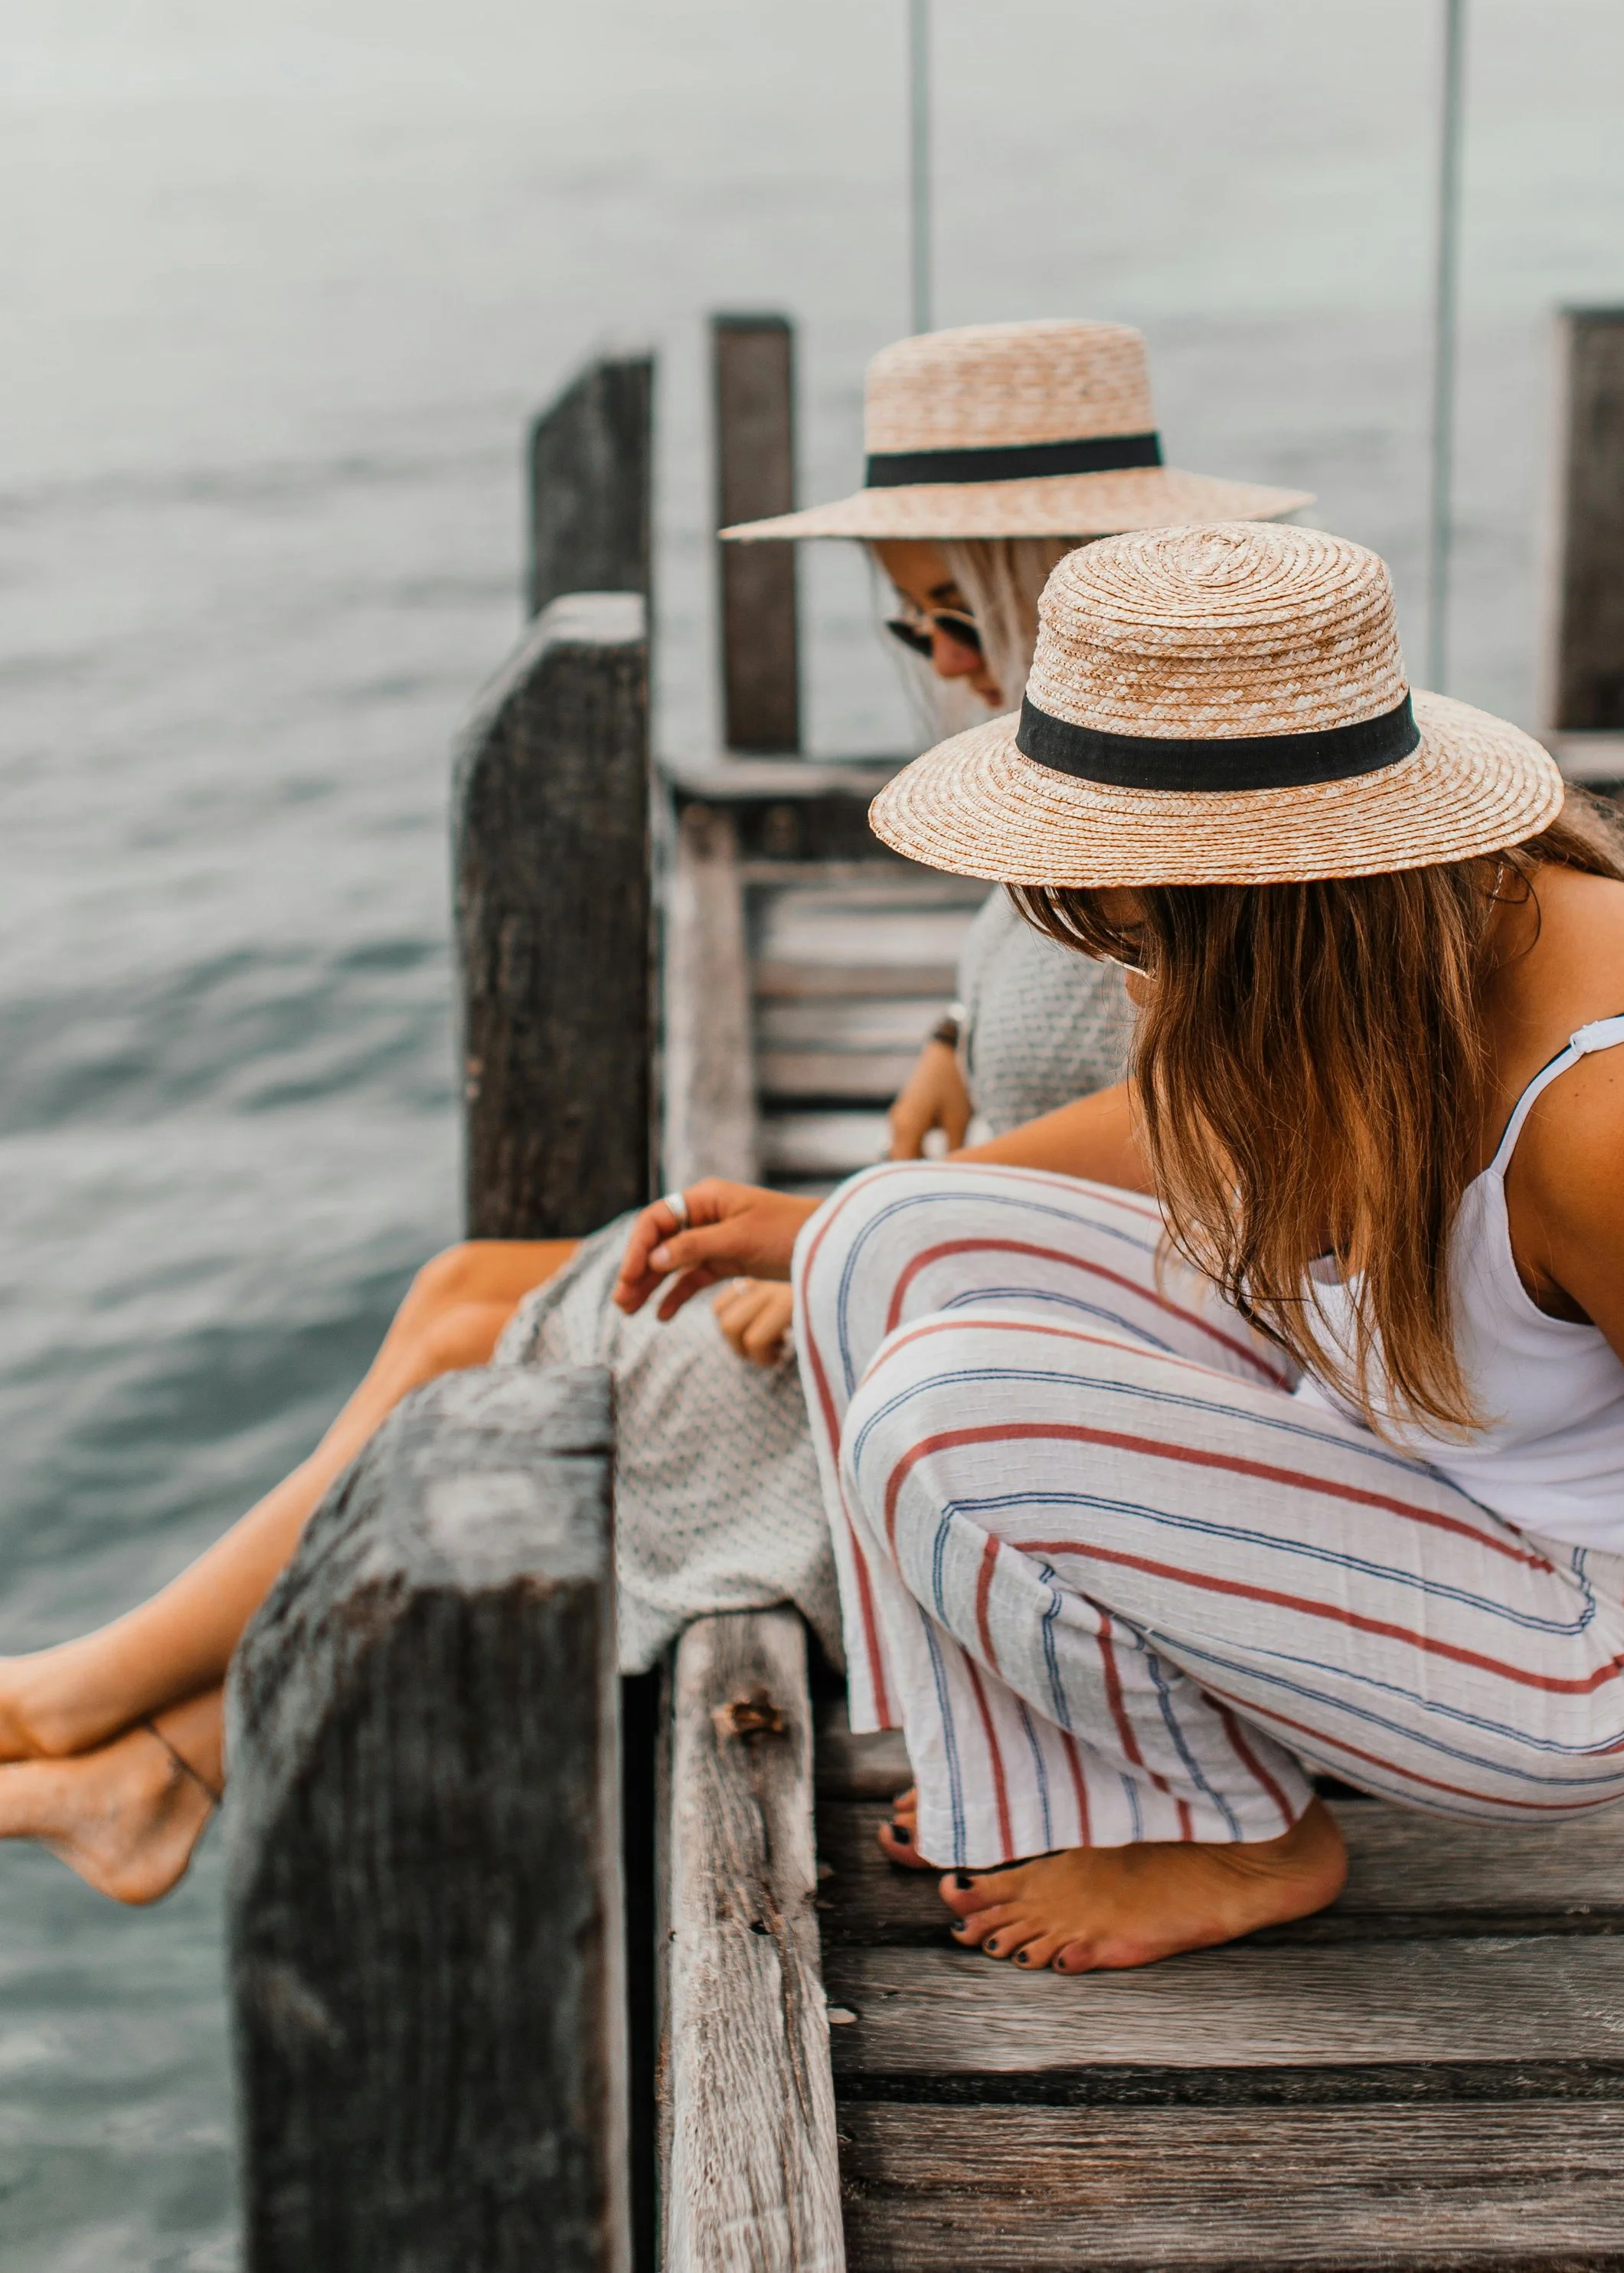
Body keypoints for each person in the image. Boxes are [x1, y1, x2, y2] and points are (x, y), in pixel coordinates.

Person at [619, 518, 1624, 2181]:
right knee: (884, 1241)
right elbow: (1187, 1123)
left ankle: (1237, 1837)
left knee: (945, 1414)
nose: (1113, 949)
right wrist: (831, 1212)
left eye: (1136, 922)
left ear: (1261, 890)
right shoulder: (1364, 946)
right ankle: (1066, 1782)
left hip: (1578, 1646)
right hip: (1393, 1458)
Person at [0, 321, 1305, 1907]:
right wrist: (959, 1034)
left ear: (1058, 577)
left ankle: (100, 1711)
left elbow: (1214, 1151)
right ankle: (152, 1756)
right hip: (979, 1271)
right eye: (913, 630)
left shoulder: (1207, 797)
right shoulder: (1084, 762)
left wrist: (843, 1252)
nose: (945, 666)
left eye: (959, 616)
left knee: (499, 1366)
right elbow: (1098, 1008)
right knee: (462, 1297)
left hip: (1073, 1360)